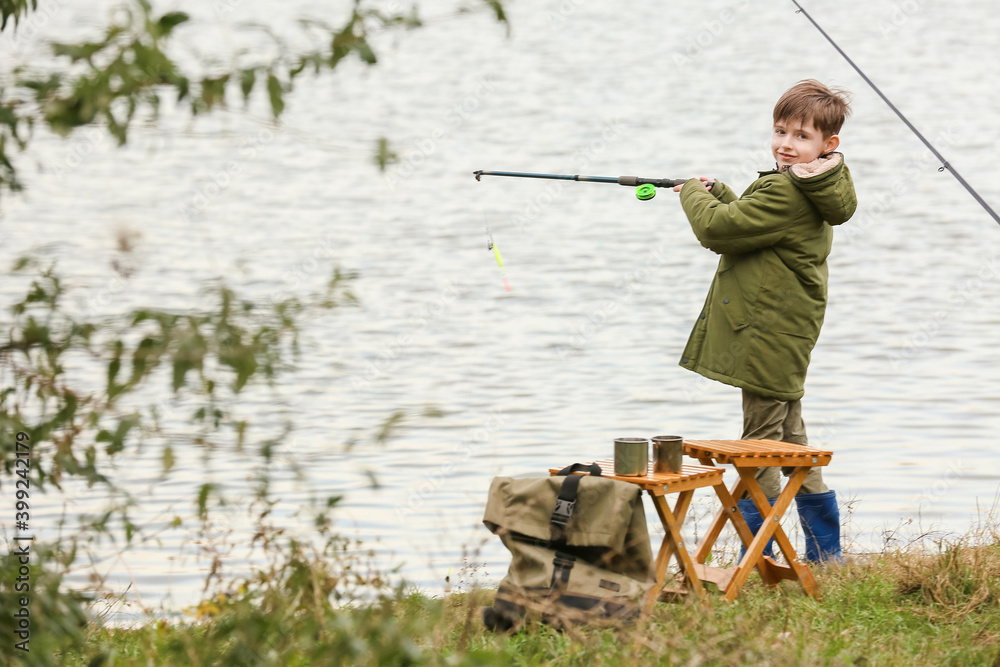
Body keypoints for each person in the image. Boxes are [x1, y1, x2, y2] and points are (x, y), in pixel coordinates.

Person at [672, 79, 856, 563]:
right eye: (780, 131)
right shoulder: (810, 185)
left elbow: (718, 229)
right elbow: (752, 222)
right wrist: (723, 192)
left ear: (827, 145)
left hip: (767, 335)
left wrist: (692, 193)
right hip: (785, 331)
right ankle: (825, 557)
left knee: (760, 446)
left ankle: (759, 558)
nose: (786, 144)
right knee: (794, 444)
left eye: (800, 137)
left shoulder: (788, 190)